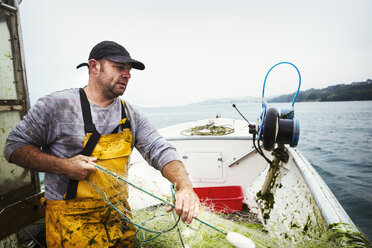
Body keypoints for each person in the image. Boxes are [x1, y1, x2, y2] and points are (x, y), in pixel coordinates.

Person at [3, 40, 200, 247]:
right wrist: (64, 166)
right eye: (119, 67)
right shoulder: (56, 106)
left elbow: (160, 149)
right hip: (71, 225)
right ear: (94, 66)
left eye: (129, 69)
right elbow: (13, 147)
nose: (128, 74)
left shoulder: (129, 113)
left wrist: (184, 186)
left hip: (118, 219)